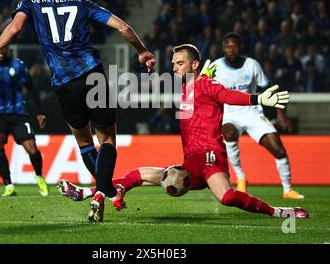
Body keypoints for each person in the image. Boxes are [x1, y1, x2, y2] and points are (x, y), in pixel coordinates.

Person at [0, 0, 156, 222]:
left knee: (84, 141)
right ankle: (105, 191)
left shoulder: (30, 2)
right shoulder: (80, 2)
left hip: (64, 83)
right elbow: (122, 27)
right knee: (107, 140)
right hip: (93, 75)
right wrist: (142, 52)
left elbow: (15, 28)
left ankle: (105, 192)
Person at [58, 44, 309, 219]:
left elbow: (228, 95)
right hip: (190, 165)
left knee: (228, 197)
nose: (175, 67)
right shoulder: (186, 88)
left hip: (210, 158)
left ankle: (280, 212)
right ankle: (94, 191)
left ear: (194, 64)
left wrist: (257, 98)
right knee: (138, 175)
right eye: (174, 63)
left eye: (180, 63)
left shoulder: (208, 84)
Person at [212, 32, 304, 199]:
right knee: (229, 134)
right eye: (228, 46)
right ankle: (241, 178)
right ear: (223, 49)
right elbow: (204, 91)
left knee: (278, 148)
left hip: (252, 112)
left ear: (240, 48)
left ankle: (287, 190)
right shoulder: (215, 67)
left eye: (235, 46)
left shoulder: (252, 65)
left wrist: (281, 113)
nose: (231, 49)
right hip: (229, 114)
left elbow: (270, 88)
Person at [0, 33, 49, 197]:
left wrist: (39, 112)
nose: (0, 49)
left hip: (19, 113)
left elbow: (31, 89)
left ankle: (38, 175)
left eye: (2, 45)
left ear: (7, 46)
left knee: (32, 149)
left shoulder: (18, 65)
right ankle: (8, 185)